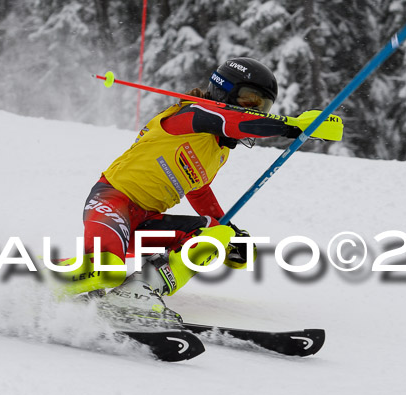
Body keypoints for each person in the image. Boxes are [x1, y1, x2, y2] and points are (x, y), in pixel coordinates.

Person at [56, 57, 303, 320]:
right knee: (105, 270)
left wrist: (232, 235)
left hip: (144, 223)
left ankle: (138, 291)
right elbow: (234, 122)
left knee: (214, 235)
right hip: (113, 202)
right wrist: (294, 125)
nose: (256, 111)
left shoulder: (218, 151)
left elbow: (199, 191)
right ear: (224, 91)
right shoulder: (191, 116)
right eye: (249, 100)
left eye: (262, 106)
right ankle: (32, 280)